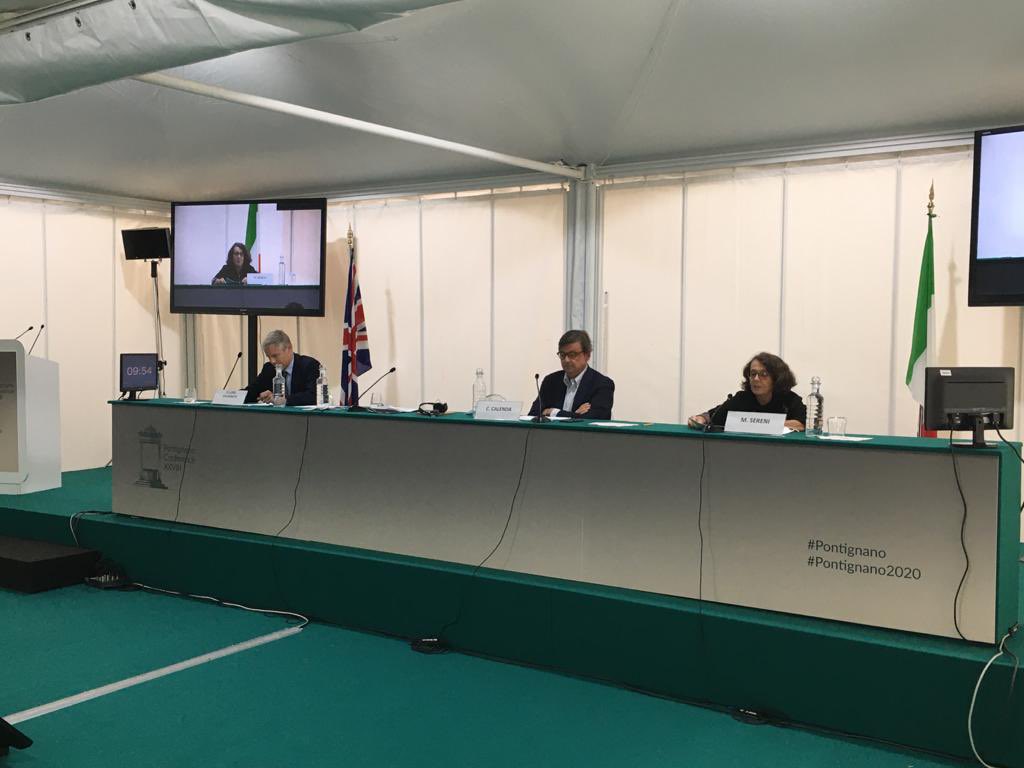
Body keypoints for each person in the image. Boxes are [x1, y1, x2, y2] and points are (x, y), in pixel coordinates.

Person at [687, 352, 805, 431]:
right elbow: (715, 416)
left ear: (777, 378)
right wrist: (701, 418)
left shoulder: (790, 399)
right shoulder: (742, 398)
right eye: (753, 374)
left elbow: (803, 423)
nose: (756, 379)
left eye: (764, 374)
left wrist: (760, 424)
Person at [528, 330, 615, 420]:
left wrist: (553, 412)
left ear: (587, 355)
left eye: (572, 354)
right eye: (562, 355)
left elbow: (594, 418)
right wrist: (574, 415)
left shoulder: (602, 384)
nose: (566, 360)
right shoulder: (551, 381)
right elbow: (533, 415)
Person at [244, 330, 322, 406]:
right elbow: (251, 391)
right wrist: (236, 396)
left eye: (275, 356)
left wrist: (283, 400)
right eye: (268, 357)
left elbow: (313, 396)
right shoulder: (269, 368)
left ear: (289, 349)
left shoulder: (309, 365)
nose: (272, 361)